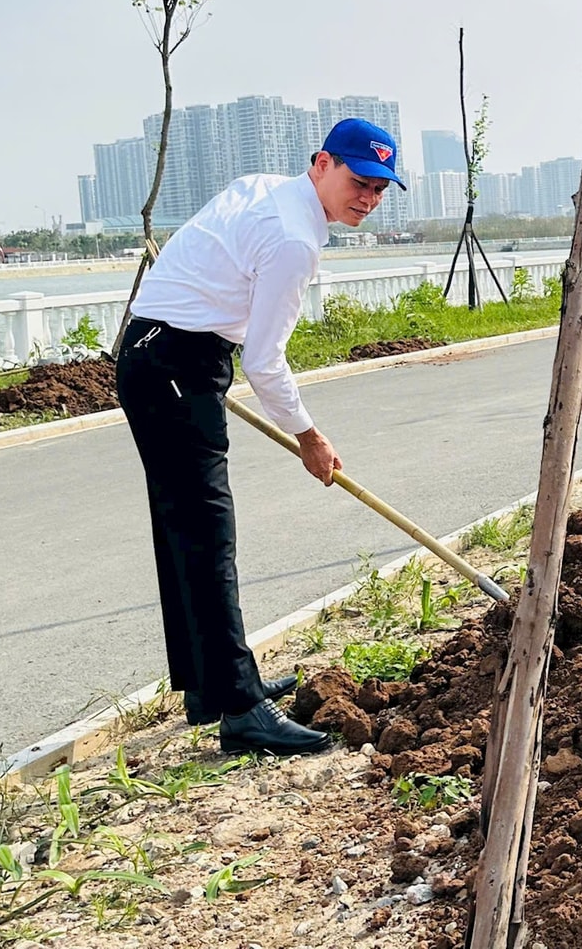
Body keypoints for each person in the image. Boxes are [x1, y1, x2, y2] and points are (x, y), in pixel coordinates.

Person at [115, 119, 406, 756]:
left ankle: (212, 685)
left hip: (157, 351)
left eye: (381, 188)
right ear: (322, 163)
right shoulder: (293, 237)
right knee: (207, 536)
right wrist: (309, 438)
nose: (368, 198)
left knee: (185, 531)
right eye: (359, 181)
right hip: (174, 364)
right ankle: (243, 711)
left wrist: (199, 343)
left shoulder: (262, 188)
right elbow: (265, 362)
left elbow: (210, 275)